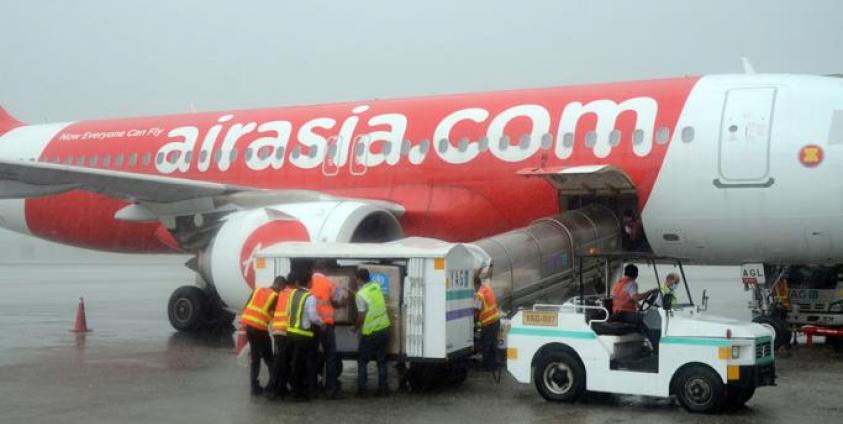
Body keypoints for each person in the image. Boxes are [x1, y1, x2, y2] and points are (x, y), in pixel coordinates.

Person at [310, 260, 347, 399]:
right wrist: (343, 303)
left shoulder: (308, 283)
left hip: (312, 324)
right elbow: (336, 303)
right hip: (327, 325)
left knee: (312, 356)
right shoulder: (330, 284)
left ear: (314, 269)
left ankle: (312, 388)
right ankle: (330, 390)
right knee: (330, 356)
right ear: (324, 270)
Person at [286, 270, 323, 401]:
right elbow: (313, 317)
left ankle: (293, 390)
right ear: (309, 282)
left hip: (290, 333)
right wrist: (321, 322)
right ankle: (299, 392)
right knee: (302, 364)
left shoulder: (292, 294)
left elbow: (288, 311)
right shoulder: (310, 296)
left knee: (294, 363)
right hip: (303, 335)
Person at [240, 278, 281, 395]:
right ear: (280, 286)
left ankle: (254, 386)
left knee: (255, 357)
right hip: (260, 329)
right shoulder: (274, 296)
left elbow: (247, 306)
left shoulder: (258, 289)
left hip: (249, 327)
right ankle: (273, 386)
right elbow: (274, 314)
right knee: (269, 358)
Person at [354, 268, 391, 397]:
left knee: (362, 361)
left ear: (359, 279)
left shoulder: (360, 295)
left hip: (371, 332)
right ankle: (384, 389)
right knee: (382, 360)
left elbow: (361, 315)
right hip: (384, 328)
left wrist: (355, 327)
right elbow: (370, 300)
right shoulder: (376, 286)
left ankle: (362, 390)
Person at [265, 276, 292, 399]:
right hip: (285, 331)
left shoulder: (280, 294)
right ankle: (274, 388)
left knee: (280, 360)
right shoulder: (293, 294)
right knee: (281, 361)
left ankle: (278, 387)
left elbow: (271, 311)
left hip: (277, 330)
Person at [474, 269, 500, 369]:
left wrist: (474, 322)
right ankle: (494, 364)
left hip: (488, 323)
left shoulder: (479, 295)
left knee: (486, 345)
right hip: (496, 320)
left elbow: (475, 311)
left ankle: (486, 366)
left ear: (476, 285)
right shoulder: (487, 289)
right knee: (493, 344)